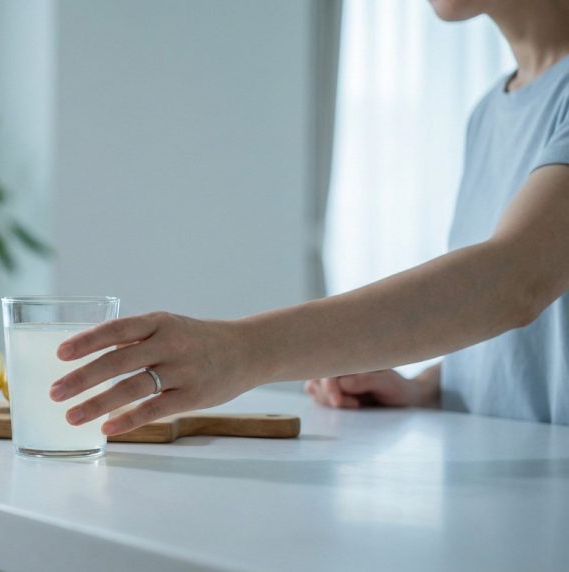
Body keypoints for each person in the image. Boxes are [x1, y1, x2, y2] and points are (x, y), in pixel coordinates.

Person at [49, 0, 569, 434]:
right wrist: (428, 387)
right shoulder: (490, 111)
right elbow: (534, 334)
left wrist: (244, 350)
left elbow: (516, 279)